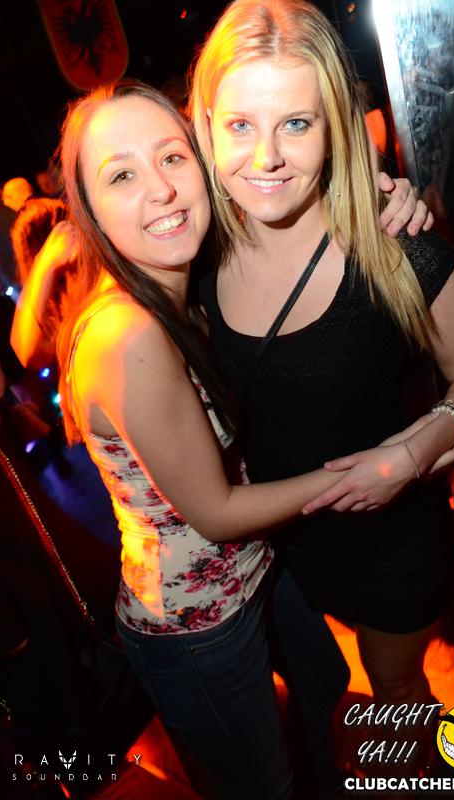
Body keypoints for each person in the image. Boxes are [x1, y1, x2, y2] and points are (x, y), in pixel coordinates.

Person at [190, 0, 454, 768]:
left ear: (335, 124)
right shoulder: (191, 258)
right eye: (240, 125)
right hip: (275, 547)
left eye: (295, 123)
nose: (266, 157)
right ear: (204, 126)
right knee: (325, 691)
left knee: (392, 689)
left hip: (389, 541)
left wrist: (412, 453)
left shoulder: (396, 248)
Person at [55, 79, 360, 800]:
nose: (161, 189)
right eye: (121, 175)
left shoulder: (180, 289)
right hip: (196, 627)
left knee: (325, 679)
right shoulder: (128, 334)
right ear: (90, 210)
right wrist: (364, 471)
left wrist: (377, 199)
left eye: (172, 157)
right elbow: (217, 513)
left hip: (255, 566)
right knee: (266, 787)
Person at [10, 197, 77, 369]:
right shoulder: (40, 294)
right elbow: (26, 353)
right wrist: (45, 265)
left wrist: (43, 267)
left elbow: (27, 354)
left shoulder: (81, 276)